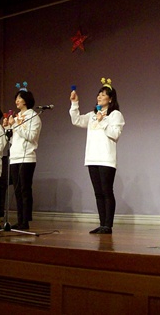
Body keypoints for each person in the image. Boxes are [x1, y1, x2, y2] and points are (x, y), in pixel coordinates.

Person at [69, 78, 125, 234]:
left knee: (107, 191)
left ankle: (108, 225)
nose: (99, 96)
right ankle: (102, 224)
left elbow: (115, 134)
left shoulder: (115, 115)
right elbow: (76, 120)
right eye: (99, 94)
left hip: (106, 159)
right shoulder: (92, 115)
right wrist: (74, 103)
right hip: (92, 158)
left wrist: (103, 121)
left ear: (110, 99)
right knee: (98, 193)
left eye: (104, 94)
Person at [3, 82, 42, 230]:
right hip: (15, 157)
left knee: (25, 190)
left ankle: (25, 221)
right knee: (17, 190)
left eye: (19, 98)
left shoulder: (33, 117)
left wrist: (16, 125)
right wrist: (8, 127)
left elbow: (31, 136)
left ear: (26, 100)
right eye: (16, 98)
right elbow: (12, 140)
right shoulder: (16, 117)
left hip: (27, 158)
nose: (16, 101)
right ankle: (19, 220)